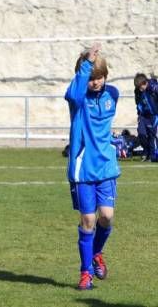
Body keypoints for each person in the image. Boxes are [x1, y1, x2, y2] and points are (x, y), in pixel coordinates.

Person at [65, 43, 119, 290]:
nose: (95, 83)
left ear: (105, 77)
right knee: (88, 220)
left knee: (106, 217)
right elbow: (74, 92)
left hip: (106, 167)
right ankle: (85, 272)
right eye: (91, 78)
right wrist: (85, 64)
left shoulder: (113, 95)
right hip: (83, 169)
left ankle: (96, 252)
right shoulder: (78, 99)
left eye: (99, 78)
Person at [133, 73, 158, 161]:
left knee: (152, 135)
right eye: (138, 87)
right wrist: (139, 114)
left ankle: (152, 155)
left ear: (145, 83)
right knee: (141, 133)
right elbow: (138, 103)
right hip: (143, 116)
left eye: (141, 87)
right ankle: (146, 152)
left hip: (154, 115)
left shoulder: (154, 88)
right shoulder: (137, 91)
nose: (140, 89)